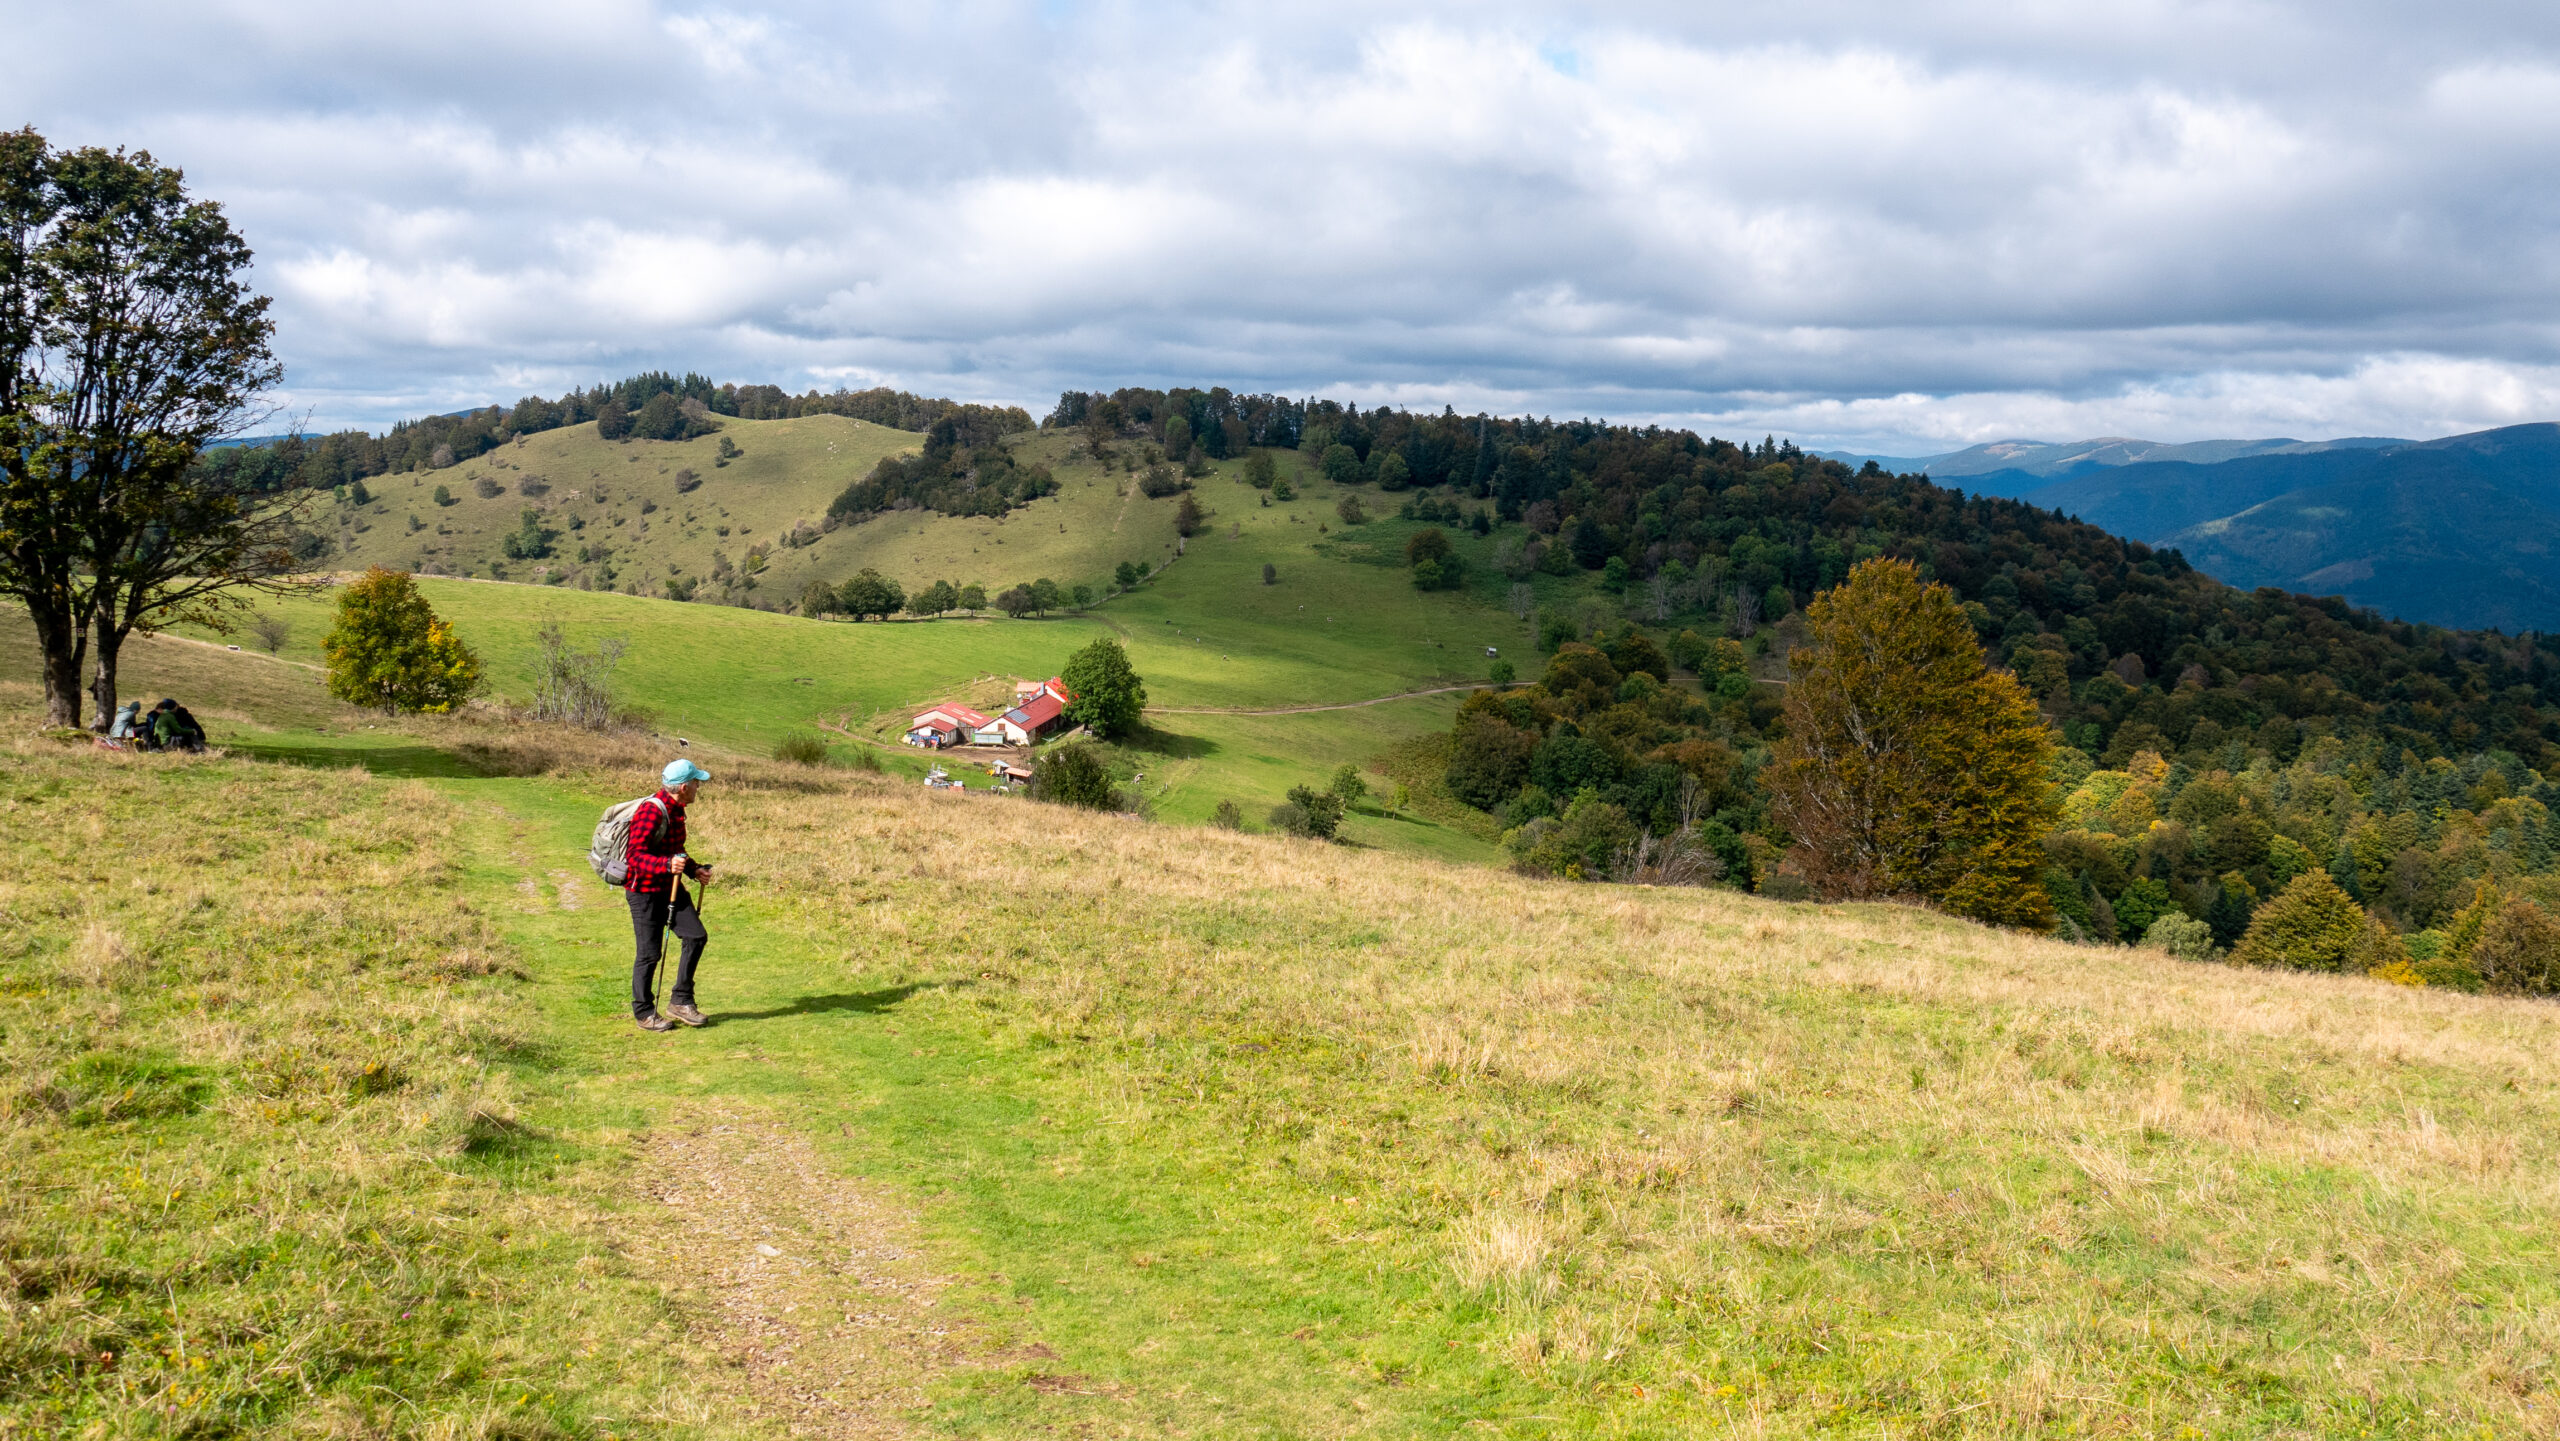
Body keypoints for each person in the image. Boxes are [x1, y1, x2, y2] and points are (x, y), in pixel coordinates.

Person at [625, 758, 715, 1031]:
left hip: (671, 887)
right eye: (696, 783)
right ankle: (643, 1012)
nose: (699, 788)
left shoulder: (678, 810)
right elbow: (634, 856)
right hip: (644, 893)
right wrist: (665, 865)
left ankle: (680, 1001)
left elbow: (676, 849)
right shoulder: (651, 812)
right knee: (650, 953)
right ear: (684, 787)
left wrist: (693, 869)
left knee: (696, 936)